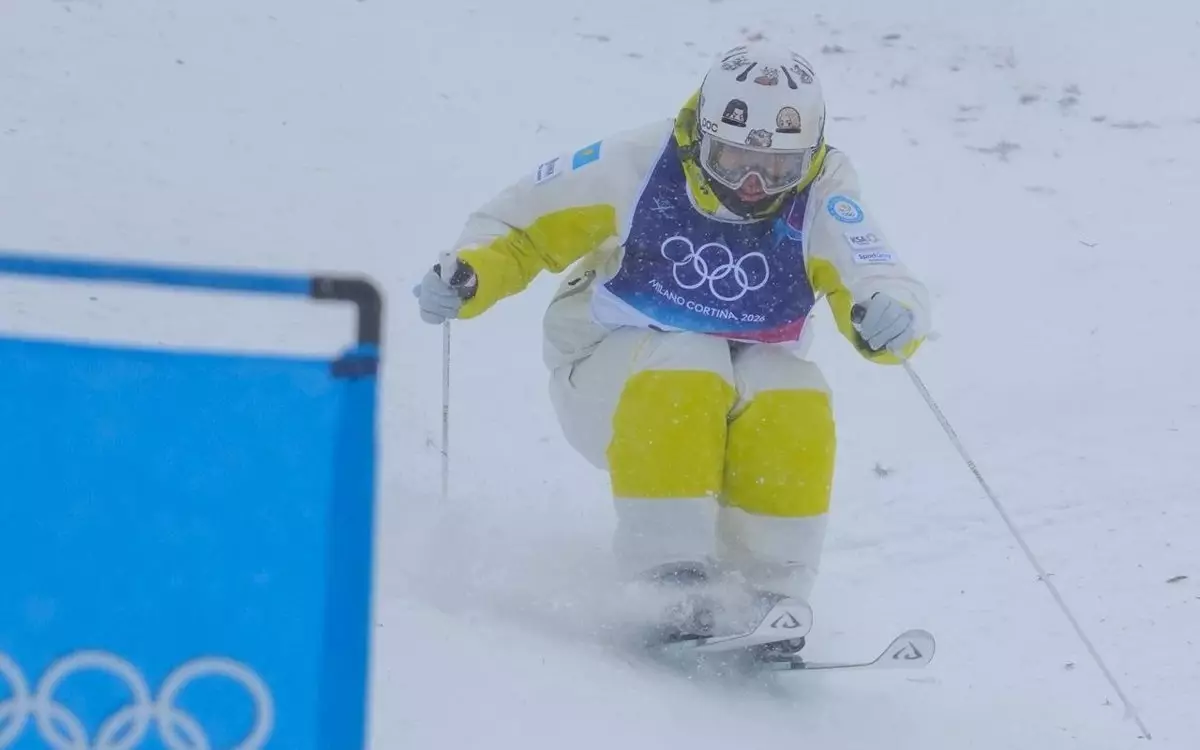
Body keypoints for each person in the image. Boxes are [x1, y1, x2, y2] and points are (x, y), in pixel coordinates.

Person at [413, 40, 931, 640]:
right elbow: (518, 226)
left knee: (793, 386)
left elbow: (874, 269)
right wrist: (471, 274)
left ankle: (766, 591)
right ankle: (663, 578)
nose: (755, 184)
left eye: (780, 168)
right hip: (607, 374)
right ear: (698, 135)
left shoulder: (823, 188)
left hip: (731, 389)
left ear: (810, 156)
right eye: (733, 160)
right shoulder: (637, 160)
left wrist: (892, 315)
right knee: (691, 353)